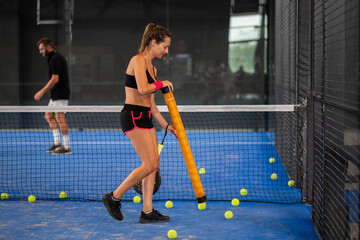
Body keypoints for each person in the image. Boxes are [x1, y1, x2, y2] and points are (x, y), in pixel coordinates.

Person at [102, 23, 177, 223]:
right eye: (165, 46)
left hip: (145, 115)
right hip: (132, 116)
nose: (166, 51)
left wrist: (166, 125)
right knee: (150, 163)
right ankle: (114, 197)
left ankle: (147, 211)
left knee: (154, 164)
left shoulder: (152, 67)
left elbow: (151, 103)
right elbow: (143, 89)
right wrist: (163, 84)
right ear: (154, 42)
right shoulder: (137, 60)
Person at [34, 38, 72, 155]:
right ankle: (57, 142)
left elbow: (55, 79)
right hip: (55, 93)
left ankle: (66, 147)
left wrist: (41, 91)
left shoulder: (56, 59)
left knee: (60, 118)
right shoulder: (52, 58)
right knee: (49, 116)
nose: (40, 52)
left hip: (61, 93)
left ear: (48, 47)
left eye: (41, 49)